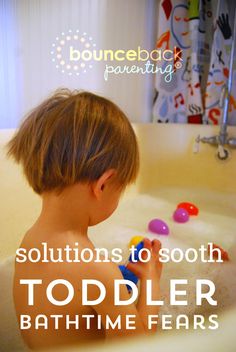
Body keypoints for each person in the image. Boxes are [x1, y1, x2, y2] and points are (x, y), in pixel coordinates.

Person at [6, 89, 162, 349]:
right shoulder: (96, 269)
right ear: (103, 185)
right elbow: (139, 346)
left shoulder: (30, 242)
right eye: (120, 190)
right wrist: (151, 282)